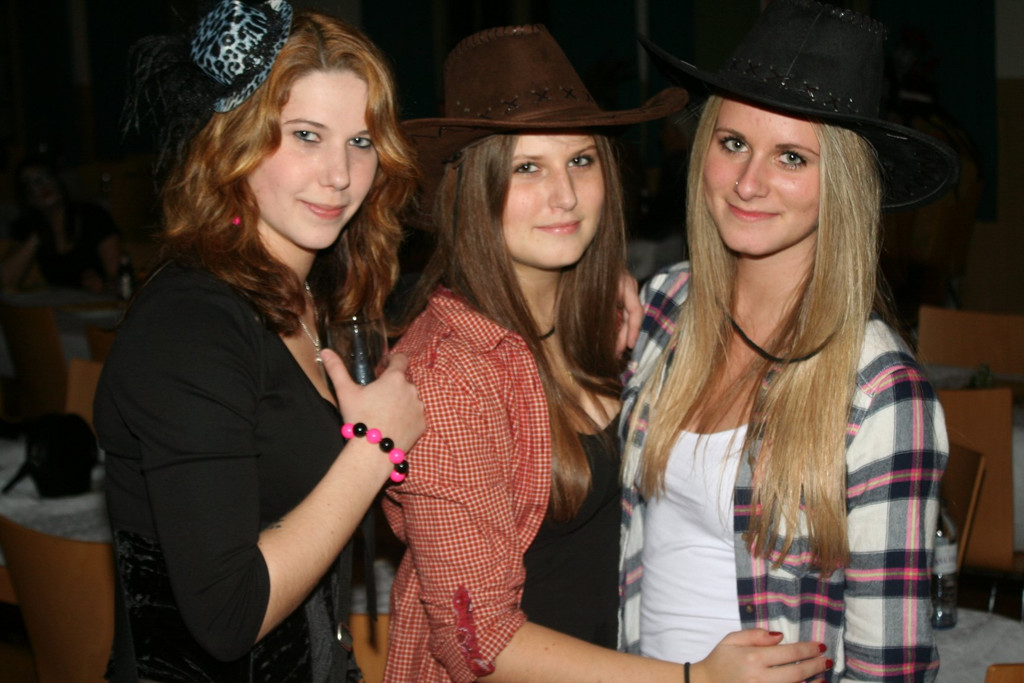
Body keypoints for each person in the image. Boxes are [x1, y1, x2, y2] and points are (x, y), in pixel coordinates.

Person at [382, 24, 830, 683]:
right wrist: (693, 679)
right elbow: (478, 644)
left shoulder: (610, 320)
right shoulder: (449, 374)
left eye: (581, 161)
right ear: (471, 189)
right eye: (527, 168)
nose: (564, 195)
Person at [620, 1, 958, 680]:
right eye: (733, 143)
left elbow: (889, 670)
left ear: (844, 184)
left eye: (792, 157)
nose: (748, 182)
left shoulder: (880, 392)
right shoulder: (664, 305)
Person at [93, 1, 424, 680]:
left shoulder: (313, 296)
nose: (339, 174)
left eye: (361, 142)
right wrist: (376, 448)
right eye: (306, 135)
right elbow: (227, 616)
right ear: (236, 141)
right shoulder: (191, 325)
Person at [1, 154, 122, 292]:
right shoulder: (26, 226)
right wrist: (36, 234)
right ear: (26, 196)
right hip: (56, 303)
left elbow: (119, 279)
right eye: (30, 183)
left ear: (58, 179)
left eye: (44, 176)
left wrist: (102, 285)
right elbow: (5, 282)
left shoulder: (93, 216)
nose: (41, 186)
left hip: (99, 302)